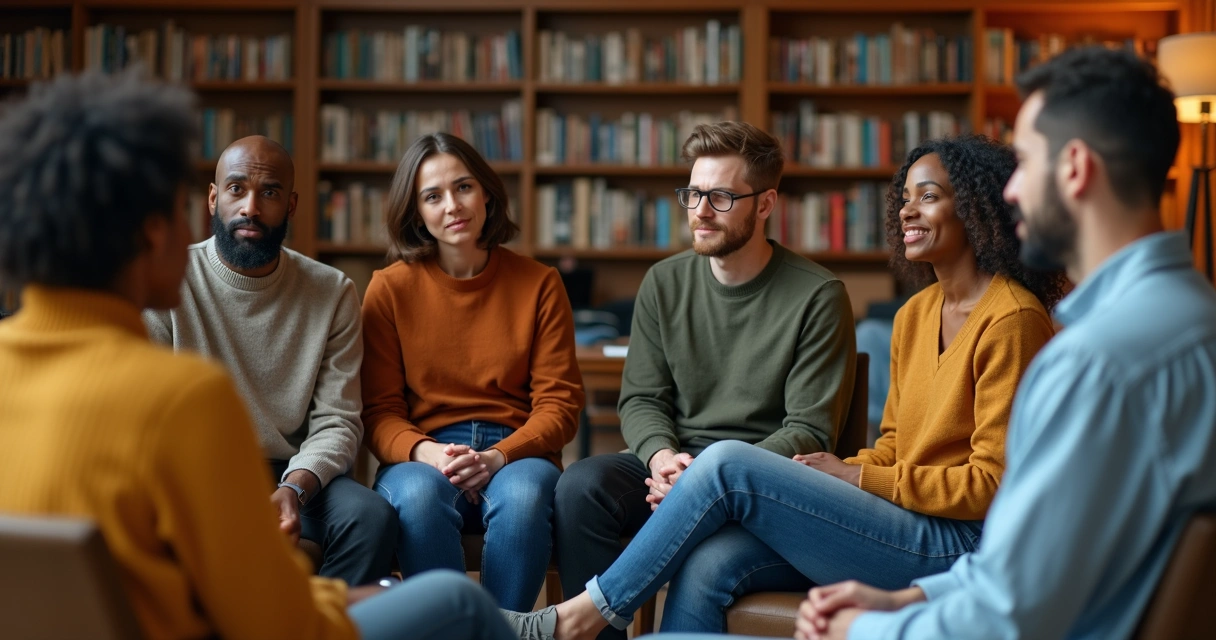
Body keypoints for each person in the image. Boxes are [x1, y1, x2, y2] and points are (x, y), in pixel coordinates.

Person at [0, 69, 520, 640]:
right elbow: (265, 614)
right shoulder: (179, 397)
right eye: (180, 209)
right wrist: (366, 599)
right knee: (456, 601)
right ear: (151, 231)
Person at [507, 133, 1065, 640]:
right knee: (709, 564)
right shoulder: (915, 314)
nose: (906, 210)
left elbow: (993, 486)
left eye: (929, 196)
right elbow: (895, 443)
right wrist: (838, 475)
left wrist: (857, 476)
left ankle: (581, 618)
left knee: (726, 463)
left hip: (959, 547)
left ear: (976, 209)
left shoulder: (1012, 320)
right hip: (900, 520)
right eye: (905, 198)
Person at [779, 46, 1216, 640]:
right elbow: (1037, 560)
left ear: (1075, 168)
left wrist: (861, 629)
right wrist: (910, 596)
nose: (1009, 192)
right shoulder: (1191, 319)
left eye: (1026, 163)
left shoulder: (1095, 363)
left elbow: (1009, 613)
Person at [550, 121, 857, 640]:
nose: (700, 210)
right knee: (581, 487)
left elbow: (808, 429)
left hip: (760, 479)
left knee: (708, 535)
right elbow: (642, 398)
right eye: (692, 194)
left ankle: (580, 618)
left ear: (765, 204)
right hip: (676, 463)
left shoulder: (818, 295)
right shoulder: (663, 281)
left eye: (720, 196)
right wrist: (661, 457)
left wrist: (704, 479)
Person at [144, 135, 397, 586]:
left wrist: (294, 487)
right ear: (213, 197)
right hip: (200, 469)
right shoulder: (167, 280)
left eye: (270, 192)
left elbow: (339, 420)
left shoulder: (332, 291)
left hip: (294, 470)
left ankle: (327, 620)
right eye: (236, 189)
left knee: (370, 517)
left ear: (292, 205)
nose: (251, 208)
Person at [361, 132, 585, 612]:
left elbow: (560, 406)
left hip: (518, 450)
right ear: (416, 213)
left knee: (523, 501)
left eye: (463, 187)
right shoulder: (388, 289)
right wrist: (431, 454)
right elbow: (378, 412)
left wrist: (497, 457)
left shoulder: (540, 284)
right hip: (422, 452)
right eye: (432, 196)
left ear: (486, 193)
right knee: (419, 501)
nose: (453, 206)